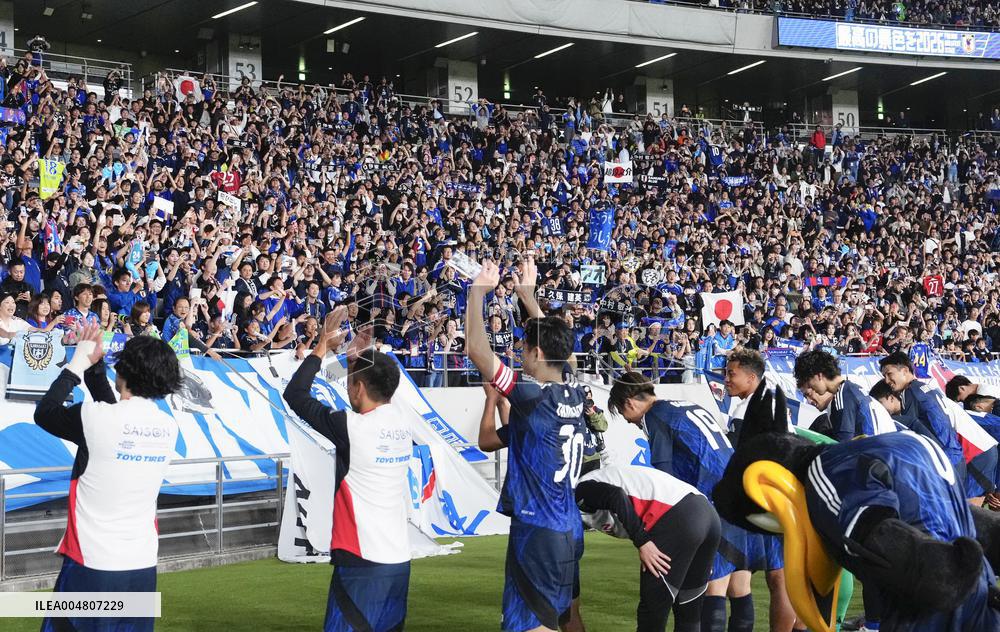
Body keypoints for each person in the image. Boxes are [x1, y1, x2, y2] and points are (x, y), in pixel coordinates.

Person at [465, 257, 588, 632]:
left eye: (523, 347)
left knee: (531, 626)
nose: (519, 353)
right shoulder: (575, 390)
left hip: (538, 530)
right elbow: (563, 350)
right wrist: (528, 297)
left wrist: (476, 295)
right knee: (566, 618)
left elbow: (477, 351)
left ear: (535, 353)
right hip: (569, 526)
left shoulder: (532, 395)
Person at [34, 324, 181, 632]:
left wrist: (78, 364)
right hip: (141, 563)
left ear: (125, 371)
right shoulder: (168, 427)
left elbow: (45, 413)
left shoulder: (95, 417)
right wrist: (97, 368)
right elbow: (117, 416)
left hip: (92, 561)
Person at [283, 309, 412, 632]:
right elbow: (374, 381)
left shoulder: (351, 427)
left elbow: (295, 394)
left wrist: (323, 345)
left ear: (357, 389)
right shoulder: (400, 422)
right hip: (398, 560)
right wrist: (356, 361)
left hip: (361, 559)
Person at [606, 371, 751, 632]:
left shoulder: (654, 416)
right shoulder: (684, 406)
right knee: (740, 583)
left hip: (713, 501)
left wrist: (654, 536)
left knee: (709, 589)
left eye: (624, 414)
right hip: (738, 493)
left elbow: (663, 478)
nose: (630, 423)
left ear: (629, 403)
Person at [575, 464, 721, 632]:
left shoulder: (581, 487)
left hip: (680, 517)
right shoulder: (613, 475)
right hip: (707, 515)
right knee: (689, 613)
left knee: (653, 614)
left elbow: (615, 495)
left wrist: (642, 541)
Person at [723, 347, 798, 632]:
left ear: (751, 377)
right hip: (766, 499)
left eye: (732, 374)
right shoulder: (762, 399)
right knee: (764, 576)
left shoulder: (759, 404)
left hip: (765, 500)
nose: (727, 379)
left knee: (774, 577)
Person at [793, 349, 897, 440]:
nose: (812, 388)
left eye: (809, 383)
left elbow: (843, 445)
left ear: (818, 376)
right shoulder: (852, 389)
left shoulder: (843, 396)